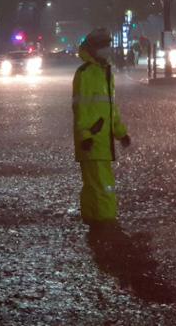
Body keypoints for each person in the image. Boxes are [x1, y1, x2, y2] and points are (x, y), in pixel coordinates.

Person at [72, 28, 131, 231]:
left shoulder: (105, 72)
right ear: (94, 49)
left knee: (94, 184)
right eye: (103, 45)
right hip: (93, 140)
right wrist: (85, 135)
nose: (107, 49)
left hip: (101, 141)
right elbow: (80, 108)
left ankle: (93, 219)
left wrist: (120, 132)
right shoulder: (86, 74)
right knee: (103, 185)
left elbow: (110, 109)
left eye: (108, 44)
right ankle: (107, 222)